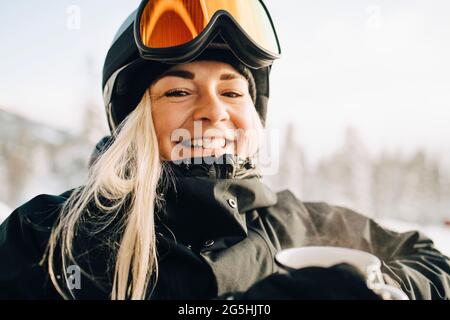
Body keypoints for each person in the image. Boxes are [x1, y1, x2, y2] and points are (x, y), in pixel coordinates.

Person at [1, 0, 449, 300]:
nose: (214, 112)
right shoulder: (52, 235)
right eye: (178, 92)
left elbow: (433, 263)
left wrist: (380, 285)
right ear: (135, 119)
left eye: (232, 93)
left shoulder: (299, 226)